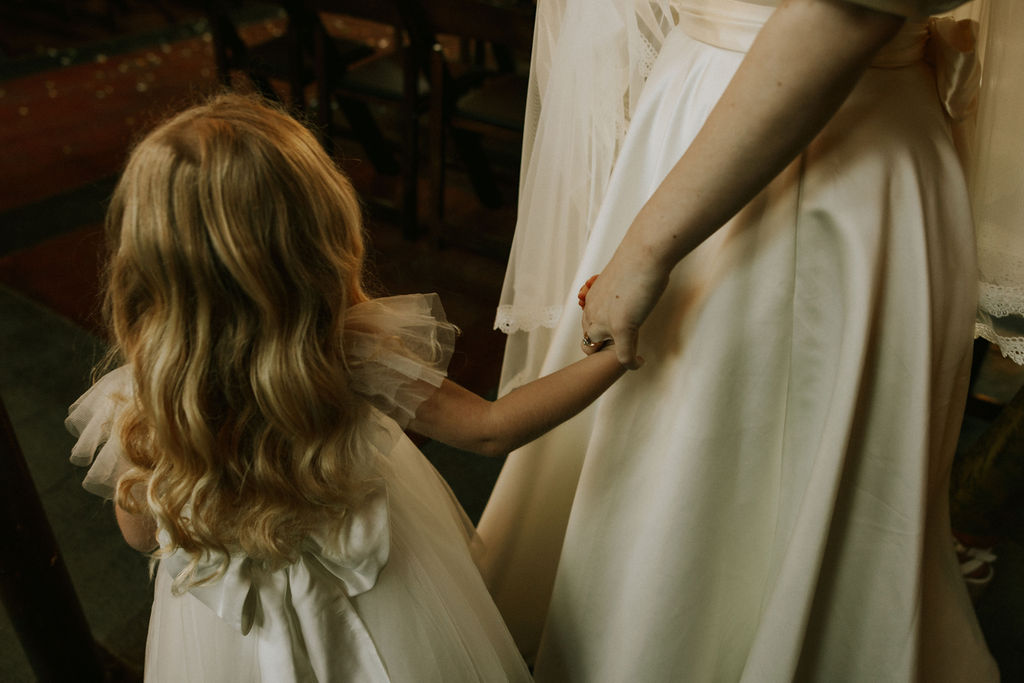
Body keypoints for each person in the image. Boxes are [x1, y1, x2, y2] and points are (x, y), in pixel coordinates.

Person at [480, 0, 1002, 680]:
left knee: (733, 475)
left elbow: (846, 15)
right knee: (661, 464)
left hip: (819, 164)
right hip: (700, 123)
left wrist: (644, 249)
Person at [64, 93, 625, 682]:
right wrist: (615, 355)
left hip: (226, 633)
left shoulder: (145, 396)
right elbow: (491, 431)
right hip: (386, 591)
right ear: (314, 235)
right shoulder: (348, 353)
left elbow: (141, 535)